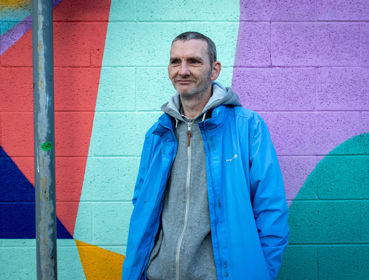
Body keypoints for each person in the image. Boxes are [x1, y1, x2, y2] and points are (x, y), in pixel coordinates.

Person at [122, 32, 289, 280]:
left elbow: (270, 209)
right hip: (158, 273)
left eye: (194, 61)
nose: (183, 70)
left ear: (214, 70)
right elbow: (142, 202)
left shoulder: (247, 127)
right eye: (175, 61)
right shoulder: (158, 134)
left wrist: (261, 271)